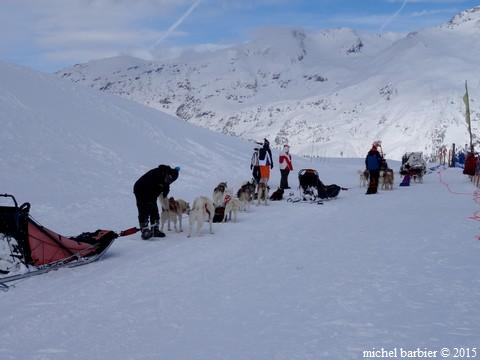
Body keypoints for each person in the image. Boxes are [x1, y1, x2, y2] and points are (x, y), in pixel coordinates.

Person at [133, 165, 179, 240]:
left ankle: (155, 230)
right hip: (140, 189)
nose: (169, 181)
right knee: (144, 209)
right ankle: (145, 230)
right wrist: (150, 202)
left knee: (154, 209)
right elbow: (149, 188)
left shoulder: (166, 177)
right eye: (169, 179)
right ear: (168, 174)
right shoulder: (156, 174)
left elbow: (166, 186)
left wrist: (165, 195)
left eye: (171, 181)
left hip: (152, 191)